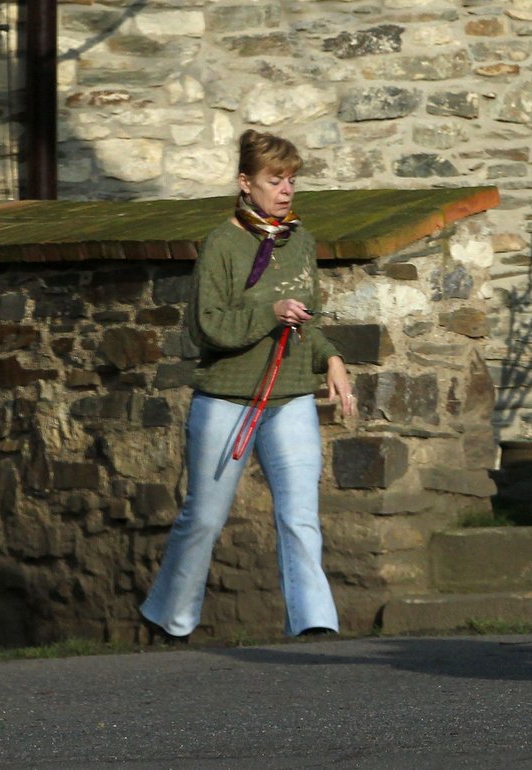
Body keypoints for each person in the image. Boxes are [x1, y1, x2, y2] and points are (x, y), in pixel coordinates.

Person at [140, 130, 356, 642]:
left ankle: (313, 623)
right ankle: (169, 618)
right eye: (273, 180)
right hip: (227, 398)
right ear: (245, 182)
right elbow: (205, 325)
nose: (285, 190)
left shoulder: (300, 240)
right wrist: (269, 311)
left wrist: (332, 358)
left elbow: (308, 318)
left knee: (301, 515)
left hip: (290, 397)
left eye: (291, 180)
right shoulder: (222, 243)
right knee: (204, 518)